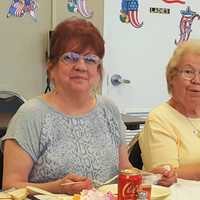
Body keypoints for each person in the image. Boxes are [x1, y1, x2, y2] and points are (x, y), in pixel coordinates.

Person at [2, 17, 175, 194]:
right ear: (51, 67)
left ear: (99, 70)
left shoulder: (108, 109)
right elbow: (11, 185)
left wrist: (152, 177)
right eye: (70, 57)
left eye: (91, 60)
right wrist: (56, 187)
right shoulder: (31, 115)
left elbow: (124, 170)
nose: (81, 66)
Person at [139, 39, 200, 181]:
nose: (196, 80)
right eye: (188, 72)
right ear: (172, 77)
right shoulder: (160, 118)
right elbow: (165, 176)